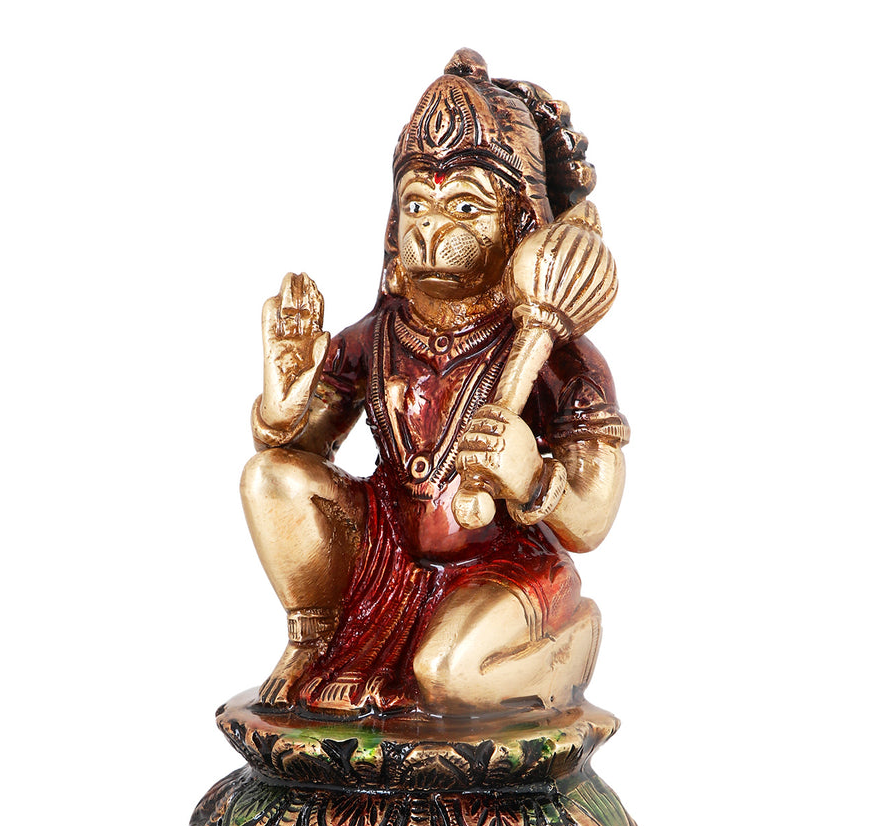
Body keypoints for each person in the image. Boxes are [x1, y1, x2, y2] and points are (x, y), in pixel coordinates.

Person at [241, 49, 629, 718]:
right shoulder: (377, 335)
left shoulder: (560, 358)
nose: (430, 230)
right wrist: (283, 406)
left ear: (520, 223)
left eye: (465, 206)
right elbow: (304, 453)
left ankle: (567, 646)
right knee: (269, 477)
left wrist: (532, 478)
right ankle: (315, 639)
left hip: (502, 567)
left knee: (448, 679)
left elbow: (593, 517)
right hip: (387, 550)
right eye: (416, 204)